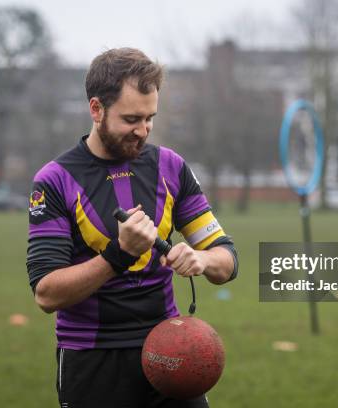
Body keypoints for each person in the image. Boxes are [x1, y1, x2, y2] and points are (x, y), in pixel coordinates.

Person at [26, 48, 238, 408]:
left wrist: (202, 260)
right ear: (96, 109)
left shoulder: (171, 167)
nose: (142, 131)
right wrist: (119, 253)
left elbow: (227, 258)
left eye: (150, 118)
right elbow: (47, 294)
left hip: (170, 351)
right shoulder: (55, 180)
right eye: (130, 119)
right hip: (93, 361)